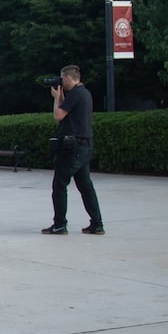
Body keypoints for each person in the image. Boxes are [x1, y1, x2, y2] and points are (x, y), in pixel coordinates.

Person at [42, 65, 104, 235]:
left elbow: (58, 115)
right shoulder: (84, 93)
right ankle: (97, 223)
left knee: (59, 184)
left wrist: (56, 98)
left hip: (72, 148)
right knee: (85, 185)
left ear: (69, 78)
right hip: (83, 146)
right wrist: (62, 96)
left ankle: (60, 224)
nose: (61, 81)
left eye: (62, 79)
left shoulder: (76, 93)